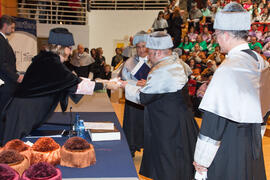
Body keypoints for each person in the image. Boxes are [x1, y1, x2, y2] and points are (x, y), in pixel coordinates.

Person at [193, 3, 269, 180]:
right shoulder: (261, 61)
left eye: (217, 35)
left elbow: (214, 121)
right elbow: (265, 108)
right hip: (252, 142)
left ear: (225, 34)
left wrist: (201, 160)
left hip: (229, 144)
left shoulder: (229, 68)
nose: (216, 40)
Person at [0, 28, 115, 145]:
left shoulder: (47, 59)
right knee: (10, 150)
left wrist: (102, 82)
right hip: (22, 113)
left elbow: (71, 81)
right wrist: (105, 85)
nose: (71, 52)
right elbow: (77, 85)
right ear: (60, 47)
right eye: (69, 48)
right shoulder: (52, 63)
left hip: (23, 110)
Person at [121, 31, 199, 180]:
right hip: (178, 121)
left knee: (168, 164)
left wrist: (124, 86)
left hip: (169, 127)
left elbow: (143, 97)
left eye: (149, 53)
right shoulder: (174, 62)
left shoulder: (163, 70)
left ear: (157, 52)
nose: (148, 56)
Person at [121, 31, 150, 157]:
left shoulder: (155, 61)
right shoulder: (129, 62)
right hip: (133, 99)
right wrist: (136, 83)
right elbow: (124, 79)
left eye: (143, 46)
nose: (141, 49)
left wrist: (147, 83)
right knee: (132, 126)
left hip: (148, 99)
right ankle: (131, 149)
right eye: (138, 47)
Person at [0, 15, 24, 142]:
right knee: (3, 111)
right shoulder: (0, 40)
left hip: (7, 82)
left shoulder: (3, 40)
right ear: (5, 25)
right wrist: (16, 77)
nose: (13, 30)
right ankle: (2, 140)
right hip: (5, 83)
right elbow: (2, 64)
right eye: (12, 27)